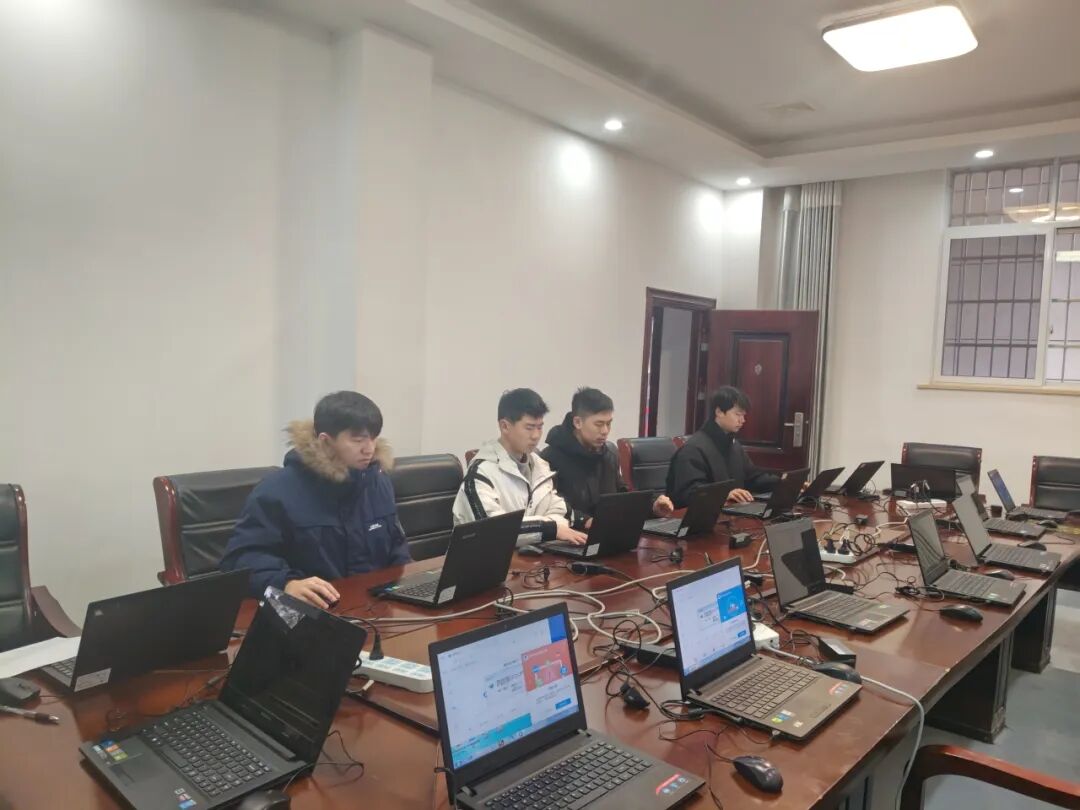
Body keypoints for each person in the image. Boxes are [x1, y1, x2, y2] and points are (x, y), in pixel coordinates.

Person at [221, 391, 410, 607]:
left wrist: (409, 583)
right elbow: (241, 559)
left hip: (377, 607)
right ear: (326, 441)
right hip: (315, 611)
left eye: (373, 438)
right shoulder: (276, 491)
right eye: (358, 440)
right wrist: (286, 583)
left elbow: (396, 546)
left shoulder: (378, 482)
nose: (369, 449)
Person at [453, 388, 587, 546]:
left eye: (540, 427)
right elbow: (493, 529)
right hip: (486, 558)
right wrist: (550, 529)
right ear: (505, 426)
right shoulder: (480, 474)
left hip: (528, 554)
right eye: (529, 428)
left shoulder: (539, 466)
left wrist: (544, 528)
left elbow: (560, 511)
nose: (536, 436)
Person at [541, 387, 674, 528]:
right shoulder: (549, 459)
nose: (605, 431)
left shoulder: (608, 455)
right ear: (578, 422)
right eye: (598, 424)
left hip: (607, 531)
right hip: (571, 534)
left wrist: (652, 506)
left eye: (608, 424)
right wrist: (585, 521)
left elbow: (622, 497)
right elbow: (550, 508)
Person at [666, 386, 780, 508]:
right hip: (703, 515)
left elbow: (753, 478)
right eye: (738, 414)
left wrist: (783, 482)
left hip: (733, 511)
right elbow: (688, 493)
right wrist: (724, 494)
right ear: (719, 412)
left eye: (743, 415)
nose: (742, 420)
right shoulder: (692, 450)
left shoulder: (733, 445)